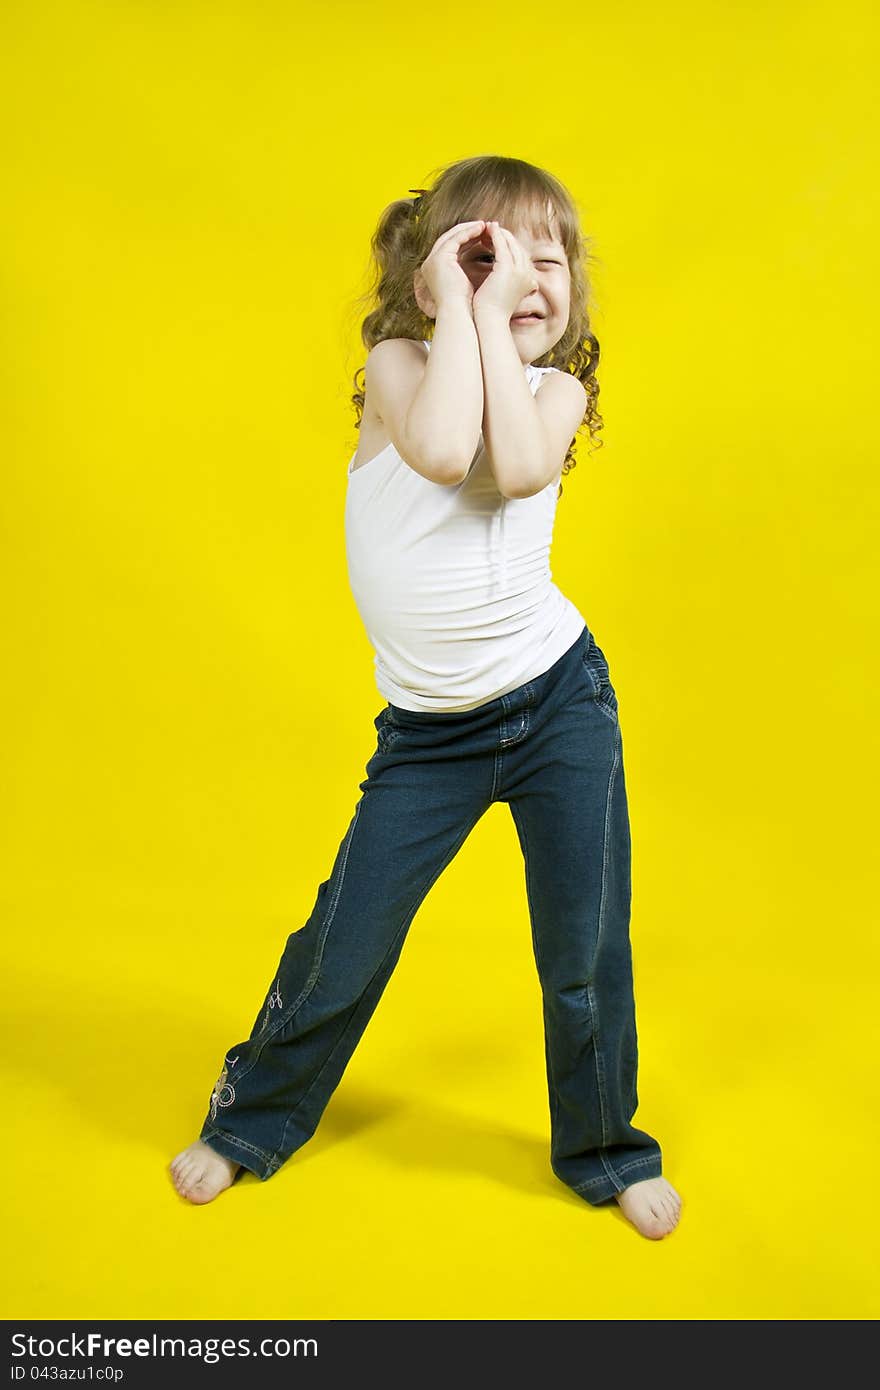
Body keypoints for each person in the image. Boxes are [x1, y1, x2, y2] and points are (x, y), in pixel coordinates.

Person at [169, 155, 682, 1240]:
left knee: (585, 946)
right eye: (495, 256)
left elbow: (522, 466)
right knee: (344, 938)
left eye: (555, 260)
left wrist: (488, 308)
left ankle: (607, 1145)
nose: (531, 279)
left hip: (559, 706)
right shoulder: (402, 366)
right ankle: (250, 1118)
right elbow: (447, 451)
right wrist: (465, 307)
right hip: (428, 738)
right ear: (434, 278)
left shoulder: (557, 391)